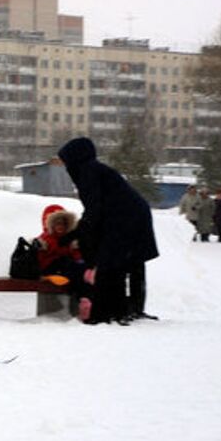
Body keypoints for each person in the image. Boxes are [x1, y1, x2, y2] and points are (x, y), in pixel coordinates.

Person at [57, 137, 159, 325]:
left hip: (125, 219)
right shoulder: (95, 170)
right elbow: (97, 210)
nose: (66, 166)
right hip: (134, 215)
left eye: (66, 161)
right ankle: (131, 309)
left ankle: (110, 311)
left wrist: (76, 234)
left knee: (112, 264)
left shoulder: (88, 173)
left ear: (75, 158)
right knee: (132, 263)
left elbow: (94, 211)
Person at [33, 204, 90, 320]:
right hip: (52, 267)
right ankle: (83, 300)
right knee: (68, 264)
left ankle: (85, 300)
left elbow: (76, 256)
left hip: (68, 268)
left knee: (80, 270)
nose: (60, 227)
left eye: (63, 224)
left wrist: (77, 253)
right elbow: (40, 260)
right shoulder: (45, 239)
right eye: (57, 224)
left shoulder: (69, 239)